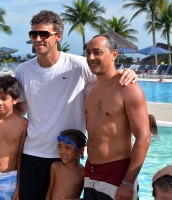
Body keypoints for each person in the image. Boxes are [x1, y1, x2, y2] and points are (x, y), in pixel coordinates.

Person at [0, 10, 137, 200]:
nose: (37, 39)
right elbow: (17, 108)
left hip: (68, 154)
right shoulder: (23, 70)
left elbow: (107, 81)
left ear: (58, 36)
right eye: (33, 34)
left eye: (43, 34)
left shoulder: (80, 65)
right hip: (33, 153)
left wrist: (127, 72)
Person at [84, 34, 150, 200]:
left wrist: (128, 182)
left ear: (114, 54)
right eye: (88, 52)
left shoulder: (128, 89)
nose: (91, 57)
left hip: (117, 173)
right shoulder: (89, 88)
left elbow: (144, 138)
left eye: (97, 52)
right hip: (90, 171)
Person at [46, 129, 87, 200]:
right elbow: (50, 189)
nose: (62, 151)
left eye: (67, 148)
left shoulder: (83, 173)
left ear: (80, 150)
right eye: (60, 147)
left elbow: (89, 196)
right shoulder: (55, 166)